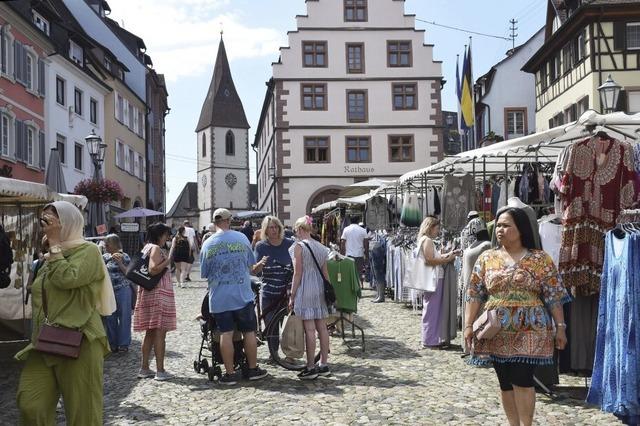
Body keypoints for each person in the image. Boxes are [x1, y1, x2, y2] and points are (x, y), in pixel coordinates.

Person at [464, 207, 570, 426]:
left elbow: (553, 295)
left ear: (521, 229)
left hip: (530, 328)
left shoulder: (540, 259)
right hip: (496, 330)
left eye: (506, 225)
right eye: (498, 225)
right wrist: (467, 325)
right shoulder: (487, 258)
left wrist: (560, 326)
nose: (500, 230)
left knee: (522, 379)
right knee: (505, 381)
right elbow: (474, 294)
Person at [16, 201, 115, 425]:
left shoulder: (88, 252)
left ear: (69, 222)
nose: (46, 226)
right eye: (44, 220)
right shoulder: (49, 256)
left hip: (80, 340)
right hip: (45, 341)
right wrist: (50, 251)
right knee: (30, 404)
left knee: (83, 414)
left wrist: (54, 245)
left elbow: (68, 279)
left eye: (52, 220)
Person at [200, 208, 268, 385]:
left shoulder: (207, 244)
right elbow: (250, 264)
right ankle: (252, 369)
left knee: (226, 334)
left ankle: (230, 374)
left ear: (214, 223)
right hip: (242, 295)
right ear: (229, 220)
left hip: (219, 298)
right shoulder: (241, 238)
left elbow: (204, 273)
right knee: (249, 332)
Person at [289, 215, 331, 380]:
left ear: (299, 229)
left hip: (306, 288)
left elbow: (297, 273)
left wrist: (292, 295)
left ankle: (310, 366)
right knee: (322, 328)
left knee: (309, 330)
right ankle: (324, 364)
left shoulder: (299, 247)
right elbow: (326, 273)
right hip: (320, 288)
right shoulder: (321, 247)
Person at [134, 222, 177, 381]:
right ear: (160, 235)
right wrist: (169, 259)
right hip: (159, 293)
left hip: (148, 291)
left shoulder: (147, 247)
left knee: (150, 332)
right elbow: (153, 269)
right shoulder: (156, 248)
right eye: (166, 234)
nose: (167, 237)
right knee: (159, 332)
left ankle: (144, 368)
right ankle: (160, 370)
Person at [252, 216, 294, 352]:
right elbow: (254, 271)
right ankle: (273, 353)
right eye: (271, 227)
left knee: (288, 326)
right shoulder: (261, 246)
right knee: (271, 325)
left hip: (286, 293)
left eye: (276, 227)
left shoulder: (289, 244)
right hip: (268, 292)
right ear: (266, 230)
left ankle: (290, 353)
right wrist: (261, 263)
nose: (274, 230)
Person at [417, 216, 459, 349]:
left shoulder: (424, 240)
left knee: (432, 309)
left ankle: (432, 338)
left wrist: (450, 254)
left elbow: (433, 258)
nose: (438, 231)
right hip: (434, 278)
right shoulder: (428, 241)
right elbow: (429, 260)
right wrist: (447, 259)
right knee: (432, 309)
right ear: (430, 227)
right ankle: (429, 339)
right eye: (437, 228)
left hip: (433, 278)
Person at [103, 234, 133, 352]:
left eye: (107, 244)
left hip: (122, 289)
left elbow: (129, 274)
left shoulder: (124, 256)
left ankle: (123, 344)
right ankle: (112, 343)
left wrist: (120, 263)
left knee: (124, 317)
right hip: (108, 291)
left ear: (114, 244)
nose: (105, 246)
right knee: (110, 317)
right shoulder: (104, 257)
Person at [340, 216, 369, 286]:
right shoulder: (363, 230)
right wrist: (367, 255)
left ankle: (350, 289)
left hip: (349, 255)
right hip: (359, 255)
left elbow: (343, 243)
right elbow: (366, 244)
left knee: (349, 273)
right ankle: (358, 288)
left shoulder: (346, 229)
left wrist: (342, 255)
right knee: (359, 273)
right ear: (358, 221)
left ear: (350, 221)